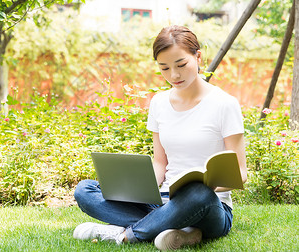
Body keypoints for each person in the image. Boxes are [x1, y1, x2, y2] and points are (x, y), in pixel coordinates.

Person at [72, 25, 247, 250]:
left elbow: (240, 173)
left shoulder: (225, 104)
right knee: (85, 190)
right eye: (164, 68)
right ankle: (178, 230)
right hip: (163, 201)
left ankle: (125, 235)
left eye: (181, 65)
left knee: (197, 193)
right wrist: (138, 190)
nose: (174, 75)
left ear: (198, 56)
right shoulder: (159, 103)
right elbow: (160, 163)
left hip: (209, 206)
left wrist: (210, 186)